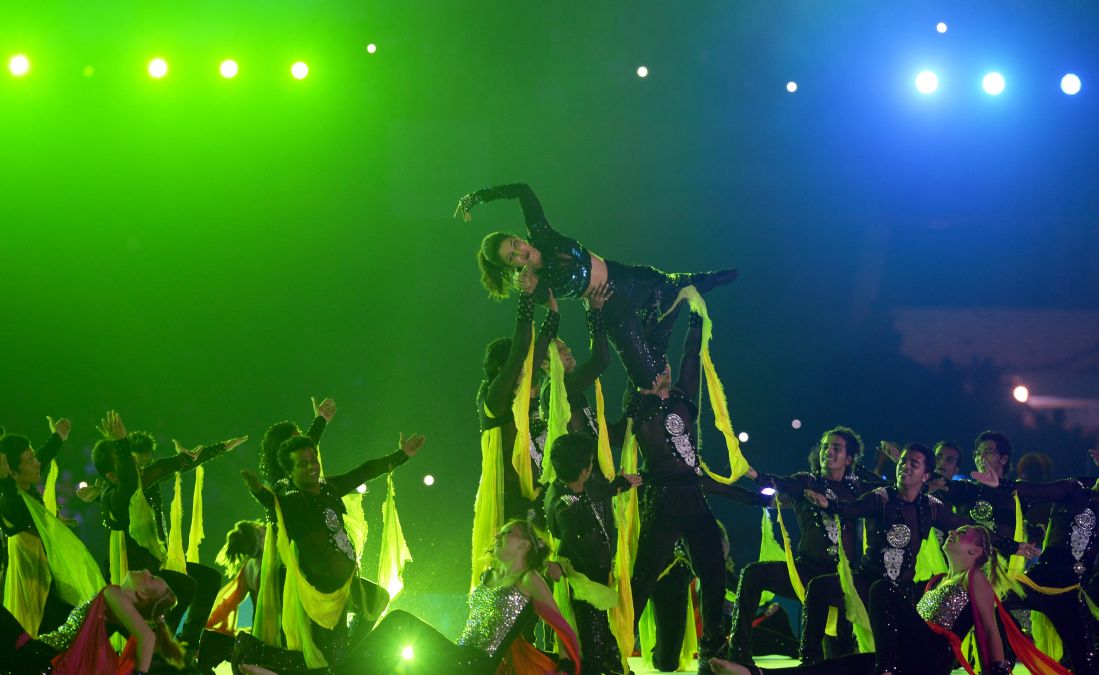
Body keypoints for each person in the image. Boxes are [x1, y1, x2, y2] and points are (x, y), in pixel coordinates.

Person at [456, 182, 738, 389]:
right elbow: (547, 308)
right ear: (511, 267)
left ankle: (736, 269)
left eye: (515, 244)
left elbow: (522, 190)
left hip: (627, 280)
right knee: (650, 381)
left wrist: (476, 197)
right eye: (511, 257)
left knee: (694, 284)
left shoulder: (541, 233)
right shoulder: (535, 282)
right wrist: (528, 291)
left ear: (519, 237)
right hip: (612, 312)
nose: (519, 252)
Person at [709, 525, 1067, 675]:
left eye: (962, 533)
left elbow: (990, 630)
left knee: (883, 588)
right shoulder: (942, 580)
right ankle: (754, 673)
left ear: (974, 550)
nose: (953, 533)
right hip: (907, 654)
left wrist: (998, 671)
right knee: (840, 668)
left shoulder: (976, 579)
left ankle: (886, 669)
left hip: (929, 656)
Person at [238, 520, 581, 675]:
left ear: (523, 544)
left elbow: (561, 624)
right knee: (389, 663)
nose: (499, 535)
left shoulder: (529, 579)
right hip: (458, 657)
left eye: (507, 533)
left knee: (400, 622)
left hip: (476, 666)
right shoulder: (488, 576)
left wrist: (566, 666)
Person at [797, 443, 1036, 664]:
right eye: (902, 461)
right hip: (866, 582)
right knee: (819, 587)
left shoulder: (930, 506)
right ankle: (809, 659)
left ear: (925, 476)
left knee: (889, 653)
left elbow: (965, 525)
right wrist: (829, 505)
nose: (905, 466)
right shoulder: (880, 497)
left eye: (914, 463)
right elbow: (853, 508)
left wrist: (1013, 546)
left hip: (902, 593)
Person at [629, 311, 763, 674]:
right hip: (663, 502)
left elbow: (691, 360)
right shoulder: (640, 409)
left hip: (693, 500)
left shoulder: (684, 401)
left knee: (715, 572)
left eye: (666, 368)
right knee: (643, 576)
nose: (666, 372)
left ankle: (712, 645)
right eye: (659, 368)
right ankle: (617, 643)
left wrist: (696, 321)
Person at [242, 432, 424, 668]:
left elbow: (363, 472)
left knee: (377, 598)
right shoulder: (293, 500)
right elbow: (274, 503)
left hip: (347, 584)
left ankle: (350, 653)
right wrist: (258, 492)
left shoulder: (328, 487)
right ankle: (253, 656)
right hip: (322, 597)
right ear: (290, 471)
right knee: (326, 663)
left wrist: (402, 455)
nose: (311, 467)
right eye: (302, 464)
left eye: (313, 460)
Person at [91, 410, 244, 650]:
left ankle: (187, 643)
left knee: (208, 579)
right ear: (114, 473)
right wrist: (120, 442)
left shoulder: (142, 480)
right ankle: (163, 645)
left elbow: (176, 463)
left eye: (141, 464)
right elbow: (125, 487)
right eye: (131, 464)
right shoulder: (117, 494)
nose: (139, 469)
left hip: (155, 563)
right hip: (131, 572)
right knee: (185, 586)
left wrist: (221, 448)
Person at [730, 427, 876, 666]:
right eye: (825, 446)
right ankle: (738, 652)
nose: (828, 451)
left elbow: (890, 490)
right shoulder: (807, 481)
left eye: (836, 448)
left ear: (849, 459)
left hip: (843, 582)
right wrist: (753, 474)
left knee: (839, 661)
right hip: (806, 571)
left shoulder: (856, 490)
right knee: (753, 574)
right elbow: (778, 482)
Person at [544, 432, 641, 675]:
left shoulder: (564, 489)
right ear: (586, 471)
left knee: (600, 645)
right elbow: (575, 540)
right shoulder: (567, 508)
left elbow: (594, 493)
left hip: (584, 580)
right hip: (583, 584)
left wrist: (620, 484)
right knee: (593, 648)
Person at [0, 568, 184, 674]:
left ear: (143, 594)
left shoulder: (113, 595)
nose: (146, 570)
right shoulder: (118, 609)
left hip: (37, 657)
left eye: (151, 578)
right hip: (37, 657)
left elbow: (147, 637)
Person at [0, 418, 86, 637]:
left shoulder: (26, 489)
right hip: (32, 589)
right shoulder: (11, 501)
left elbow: (42, 458)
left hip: (49, 580)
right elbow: (14, 506)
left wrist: (58, 437)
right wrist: (4, 481)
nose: (36, 463)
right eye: (30, 461)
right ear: (12, 473)